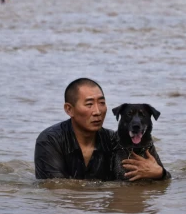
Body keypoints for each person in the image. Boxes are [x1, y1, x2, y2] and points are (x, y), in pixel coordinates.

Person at [34, 78, 170, 181]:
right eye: (89, 104)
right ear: (69, 109)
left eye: (102, 103)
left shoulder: (114, 140)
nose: (97, 111)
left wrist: (159, 173)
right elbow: (54, 189)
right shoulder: (50, 141)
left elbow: (154, 172)